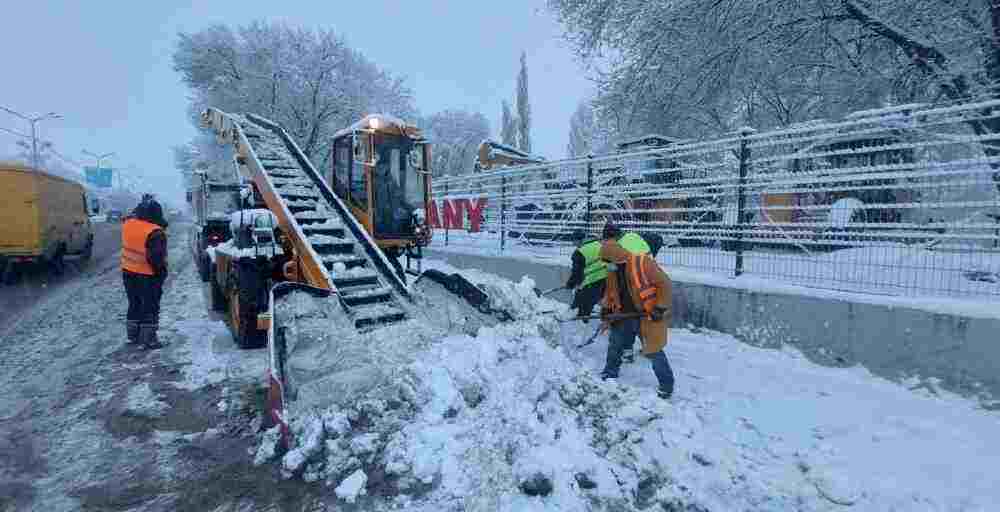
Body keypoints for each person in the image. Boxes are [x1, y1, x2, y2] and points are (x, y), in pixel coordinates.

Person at [598, 234, 674, 399]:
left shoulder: (642, 263)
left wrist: (659, 308)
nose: (607, 266)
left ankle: (666, 385)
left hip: (647, 314)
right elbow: (610, 292)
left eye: (608, 261)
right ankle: (610, 372)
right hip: (624, 314)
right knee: (615, 343)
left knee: (653, 351)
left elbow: (665, 284)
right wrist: (605, 311)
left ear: (618, 257)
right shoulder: (611, 270)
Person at [122, 196, 169, 349]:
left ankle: (133, 336)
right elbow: (156, 258)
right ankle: (149, 340)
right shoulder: (155, 232)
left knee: (134, 303)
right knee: (150, 306)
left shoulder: (128, 224)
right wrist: (161, 273)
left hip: (128, 271)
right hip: (148, 275)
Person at [564, 230, 607, 320]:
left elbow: (576, 273)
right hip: (606, 279)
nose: (573, 243)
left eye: (573, 241)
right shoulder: (598, 244)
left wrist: (570, 284)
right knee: (599, 301)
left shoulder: (579, 253)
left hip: (591, 281)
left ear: (578, 240)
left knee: (580, 305)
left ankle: (580, 322)